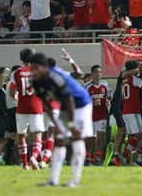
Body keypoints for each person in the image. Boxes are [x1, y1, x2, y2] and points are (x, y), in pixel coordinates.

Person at [29, 52, 93, 188]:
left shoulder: (56, 77)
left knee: (77, 138)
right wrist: (56, 122)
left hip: (80, 104)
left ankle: (75, 179)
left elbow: (70, 100)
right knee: (59, 138)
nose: (34, 71)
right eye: (32, 67)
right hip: (65, 106)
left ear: (44, 67)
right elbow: (45, 104)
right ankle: (53, 179)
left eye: (36, 67)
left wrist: (71, 125)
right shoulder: (34, 81)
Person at [8, 49, 45, 170]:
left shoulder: (16, 73)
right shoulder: (37, 71)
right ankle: (34, 157)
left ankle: (25, 163)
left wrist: (16, 96)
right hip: (36, 106)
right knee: (37, 135)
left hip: (21, 108)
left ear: (21, 59)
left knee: (21, 135)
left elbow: (11, 91)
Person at [83, 65, 112, 166]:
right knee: (89, 138)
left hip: (102, 115)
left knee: (100, 137)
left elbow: (109, 97)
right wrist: (92, 102)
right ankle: (88, 158)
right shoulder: (86, 86)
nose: (98, 74)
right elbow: (82, 100)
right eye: (96, 72)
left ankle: (97, 159)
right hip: (89, 116)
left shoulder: (106, 85)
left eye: (100, 72)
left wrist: (108, 102)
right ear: (92, 74)